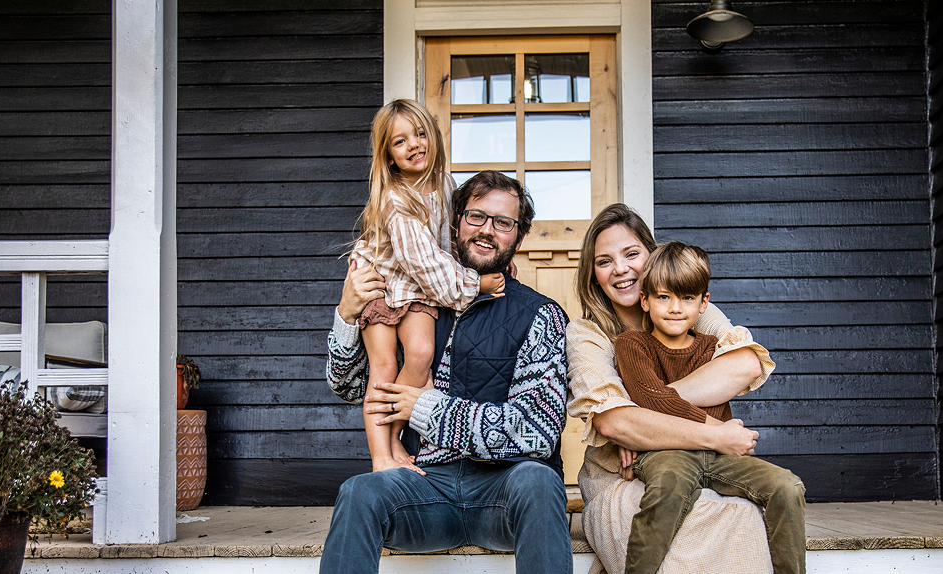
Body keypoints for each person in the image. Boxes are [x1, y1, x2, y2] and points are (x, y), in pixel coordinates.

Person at [321, 171, 572, 574]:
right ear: (455, 222)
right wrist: (347, 316)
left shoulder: (539, 315)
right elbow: (349, 387)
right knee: (359, 492)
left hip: (502, 493)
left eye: (503, 222)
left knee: (539, 482)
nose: (486, 230)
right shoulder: (412, 303)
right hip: (425, 490)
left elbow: (536, 433)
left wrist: (428, 409)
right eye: (476, 216)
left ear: (520, 237)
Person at [566, 203, 804, 574]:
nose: (621, 269)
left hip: (708, 458)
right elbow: (613, 423)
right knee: (681, 516)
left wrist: (642, 413)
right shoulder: (589, 333)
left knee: (742, 512)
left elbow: (745, 365)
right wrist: (713, 433)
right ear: (593, 274)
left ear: (652, 256)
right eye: (604, 261)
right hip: (620, 476)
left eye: (631, 254)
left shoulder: (689, 305)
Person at [349, 99, 508, 475]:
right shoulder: (395, 200)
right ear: (389, 156)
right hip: (381, 285)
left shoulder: (445, 185)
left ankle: (393, 437)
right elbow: (424, 263)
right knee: (384, 365)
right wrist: (475, 283)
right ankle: (381, 455)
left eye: (420, 134)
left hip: (416, 290)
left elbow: (452, 241)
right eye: (400, 141)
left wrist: (488, 259)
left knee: (420, 355)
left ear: (433, 136)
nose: (414, 145)